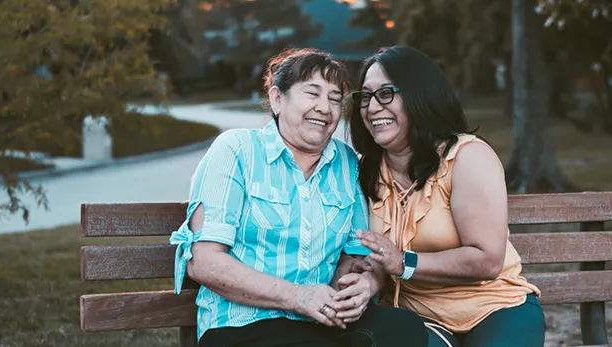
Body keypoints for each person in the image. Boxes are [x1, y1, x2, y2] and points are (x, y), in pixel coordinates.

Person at [168, 47, 428, 347]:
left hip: (319, 321)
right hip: (242, 325)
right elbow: (204, 262)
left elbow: (356, 253)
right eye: (312, 93)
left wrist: (361, 283)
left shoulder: (346, 163)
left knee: (403, 327)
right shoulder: (237, 150)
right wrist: (297, 296)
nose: (325, 108)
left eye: (335, 99)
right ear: (277, 99)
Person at [345, 45, 546, 347]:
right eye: (365, 96)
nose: (372, 107)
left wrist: (404, 262)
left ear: (420, 96)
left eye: (386, 93)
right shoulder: (365, 170)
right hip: (415, 316)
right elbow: (372, 255)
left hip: (494, 308)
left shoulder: (466, 157)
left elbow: (487, 260)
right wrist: (366, 278)